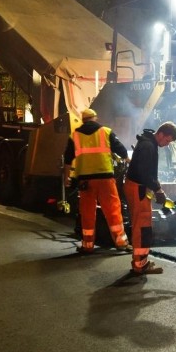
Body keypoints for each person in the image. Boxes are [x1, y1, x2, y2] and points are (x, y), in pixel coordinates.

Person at [63, 108, 132, 254]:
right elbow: (121, 150)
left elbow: (68, 159)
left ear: (83, 120)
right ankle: (121, 243)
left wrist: (66, 177)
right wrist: (128, 160)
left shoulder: (74, 135)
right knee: (113, 210)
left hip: (85, 182)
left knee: (87, 213)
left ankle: (87, 245)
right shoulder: (106, 132)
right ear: (95, 118)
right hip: (105, 179)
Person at [123, 121, 176, 275]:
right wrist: (158, 189)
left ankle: (140, 262)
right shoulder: (149, 146)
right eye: (167, 140)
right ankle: (140, 265)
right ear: (160, 134)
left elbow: (147, 173)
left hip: (137, 187)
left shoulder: (147, 143)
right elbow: (146, 173)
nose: (167, 144)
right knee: (142, 227)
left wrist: (156, 188)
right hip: (138, 188)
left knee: (141, 225)